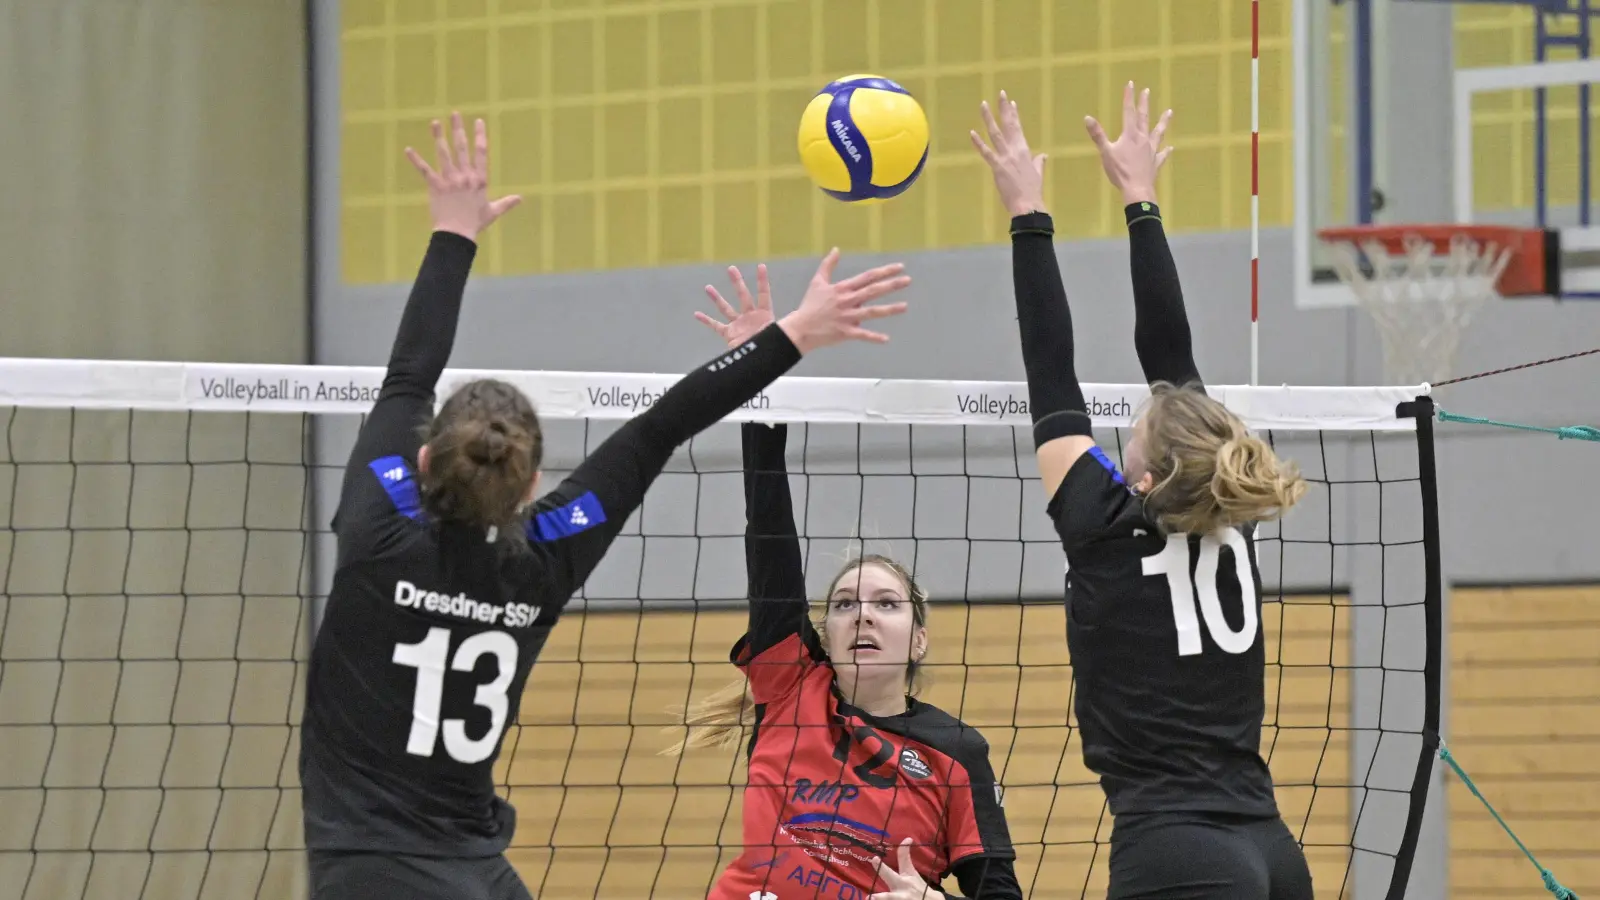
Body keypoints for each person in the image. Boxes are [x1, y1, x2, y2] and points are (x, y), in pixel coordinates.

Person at [299, 112, 914, 900]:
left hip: (370, 873)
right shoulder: (546, 553)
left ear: (421, 463)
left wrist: (453, 232)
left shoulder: (378, 525)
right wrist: (787, 336)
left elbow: (406, 379)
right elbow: (658, 430)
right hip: (477, 872)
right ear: (531, 487)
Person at [969, 84, 1315, 900]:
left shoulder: (1103, 523)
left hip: (1176, 852)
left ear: (1147, 477)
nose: (1124, 428)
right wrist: (1138, 197)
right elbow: (1169, 356)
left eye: (1129, 433)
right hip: (1272, 850)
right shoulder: (1231, 518)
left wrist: (1027, 212)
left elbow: (1051, 366)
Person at [663, 265, 1021, 900]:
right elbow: (768, 528)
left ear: (918, 640)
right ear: (823, 635)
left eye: (887, 604)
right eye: (846, 604)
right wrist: (761, 366)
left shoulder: (956, 750)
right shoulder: (791, 684)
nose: (863, 614)